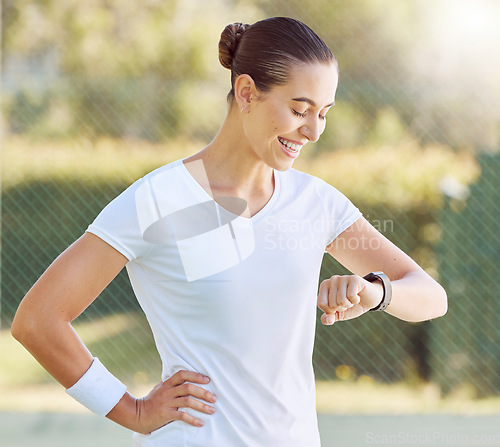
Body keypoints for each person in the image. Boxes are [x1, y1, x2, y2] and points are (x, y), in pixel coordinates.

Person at [11, 17, 447, 447]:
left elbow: (429, 295)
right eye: (299, 110)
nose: (313, 131)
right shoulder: (162, 199)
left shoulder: (316, 203)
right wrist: (132, 411)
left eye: (323, 114)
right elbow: (38, 320)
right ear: (246, 93)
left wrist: (375, 291)